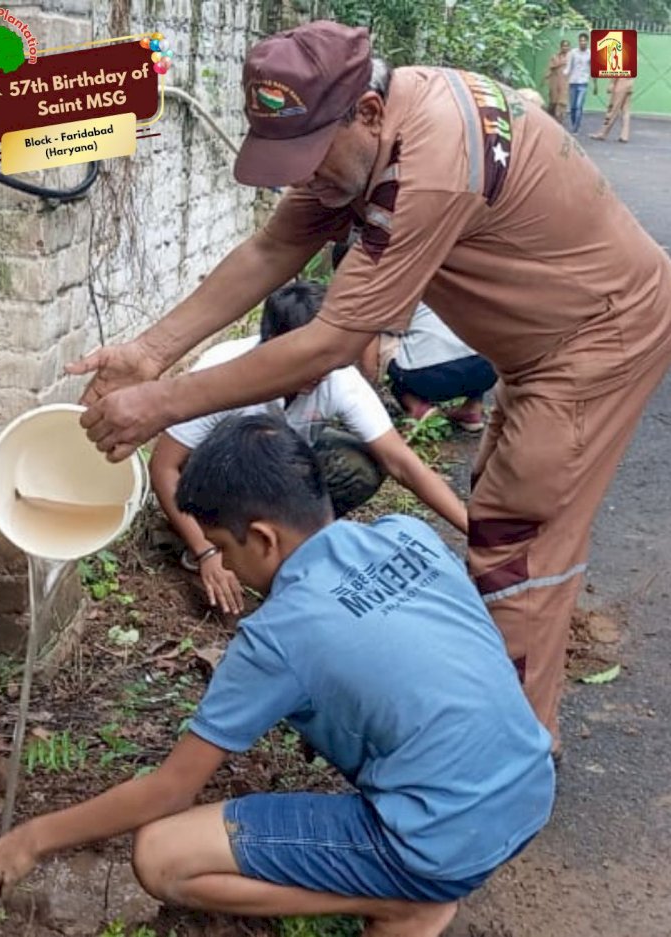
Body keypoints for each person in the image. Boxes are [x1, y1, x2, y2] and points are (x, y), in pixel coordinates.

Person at [66, 21, 671, 752]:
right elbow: (272, 246)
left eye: (310, 157)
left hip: (597, 340)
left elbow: (331, 342)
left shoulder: (431, 164)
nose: (302, 179)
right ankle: (488, 706)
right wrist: (149, 352)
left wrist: (158, 403)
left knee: (520, 538)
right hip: (540, 344)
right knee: (502, 515)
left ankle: (506, 760)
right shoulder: (366, 137)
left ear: (369, 114)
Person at [0, 415, 556, 937]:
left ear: (263, 538)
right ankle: (420, 878)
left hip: (438, 841)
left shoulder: (277, 636)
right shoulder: (407, 536)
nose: (221, 564)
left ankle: (404, 904)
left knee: (161, 854)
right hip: (528, 789)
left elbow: (170, 790)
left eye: (223, 547)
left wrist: (32, 838)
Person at [150, 282, 468, 614]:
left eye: (324, 359)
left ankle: (290, 552)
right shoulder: (220, 374)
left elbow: (403, 464)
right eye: (303, 361)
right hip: (215, 480)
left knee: (359, 464)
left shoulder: (338, 378)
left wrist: (477, 534)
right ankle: (214, 539)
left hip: (269, 475)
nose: (317, 373)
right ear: (271, 347)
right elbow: (163, 467)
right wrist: (207, 552)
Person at [332, 238, 497, 431]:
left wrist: (367, 394)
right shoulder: (430, 270)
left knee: (374, 337)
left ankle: (417, 407)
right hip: (489, 367)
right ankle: (472, 408)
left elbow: (369, 361)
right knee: (469, 333)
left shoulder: (372, 294)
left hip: (432, 378)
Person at [590, 76, 634, 143]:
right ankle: (624, 135)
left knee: (612, 108)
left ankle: (603, 133)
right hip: (629, 82)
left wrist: (612, 83)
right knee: (625, 110)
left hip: (620, 83)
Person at [564, 32, 591, 133]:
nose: (583, 42)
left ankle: (576, 128)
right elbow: (568, 67)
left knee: (579, 106)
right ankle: (574, 123)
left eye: (584, 41)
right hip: (573, 82)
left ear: (587, 42)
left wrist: (595, 84)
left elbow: (592, 69)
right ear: (579, 41)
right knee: (573, 107)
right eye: (581, 41)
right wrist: (564, 75)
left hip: (583, 83)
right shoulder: (573, 53)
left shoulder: (590, 54)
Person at [543, 39, 570, 123]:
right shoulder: (555, 57)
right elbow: (550, 68)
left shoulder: (571, 58)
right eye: (563, 46)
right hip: (554, 81)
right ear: (561, 47)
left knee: (562, 102)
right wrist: (545, 78)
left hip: (565, 82)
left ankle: (559, 120)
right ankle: (550, 119)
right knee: (553, 102)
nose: (565, 48)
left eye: (567, 46)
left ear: (569, 47)